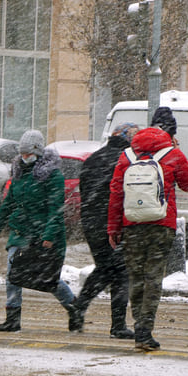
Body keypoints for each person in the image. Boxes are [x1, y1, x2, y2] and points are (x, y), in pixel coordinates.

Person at [107, 117, 188, 351]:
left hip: (132, 224)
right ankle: (145, 331)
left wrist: (113, 227)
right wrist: (176, 153)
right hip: (161, 224)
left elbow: (116, 194)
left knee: (137, 278)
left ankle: (139, 325)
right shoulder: (172, 154)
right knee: (153, 278)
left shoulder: (126, 157)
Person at [0, 130, 76, 332]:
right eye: (22, 153)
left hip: (43, 233)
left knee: (46, 278)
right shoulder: (19, 173)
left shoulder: (52, 175)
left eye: (28, 153)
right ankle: (12, 318)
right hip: (21, 231)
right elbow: (10, 200)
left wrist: (48, 235)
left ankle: (74, 307)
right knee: (13, 275)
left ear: (38, 152)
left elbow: (55, 209)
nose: (25, 157)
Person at [69, 123, 139, 339]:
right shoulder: (126, 159)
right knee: (120, 272)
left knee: (106, 268)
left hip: (91, 223)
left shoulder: (93, 158)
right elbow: (123, 193)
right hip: (113, 224)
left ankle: (79, 307)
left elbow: (86, 192)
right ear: (128, 138)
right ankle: (116, 325)